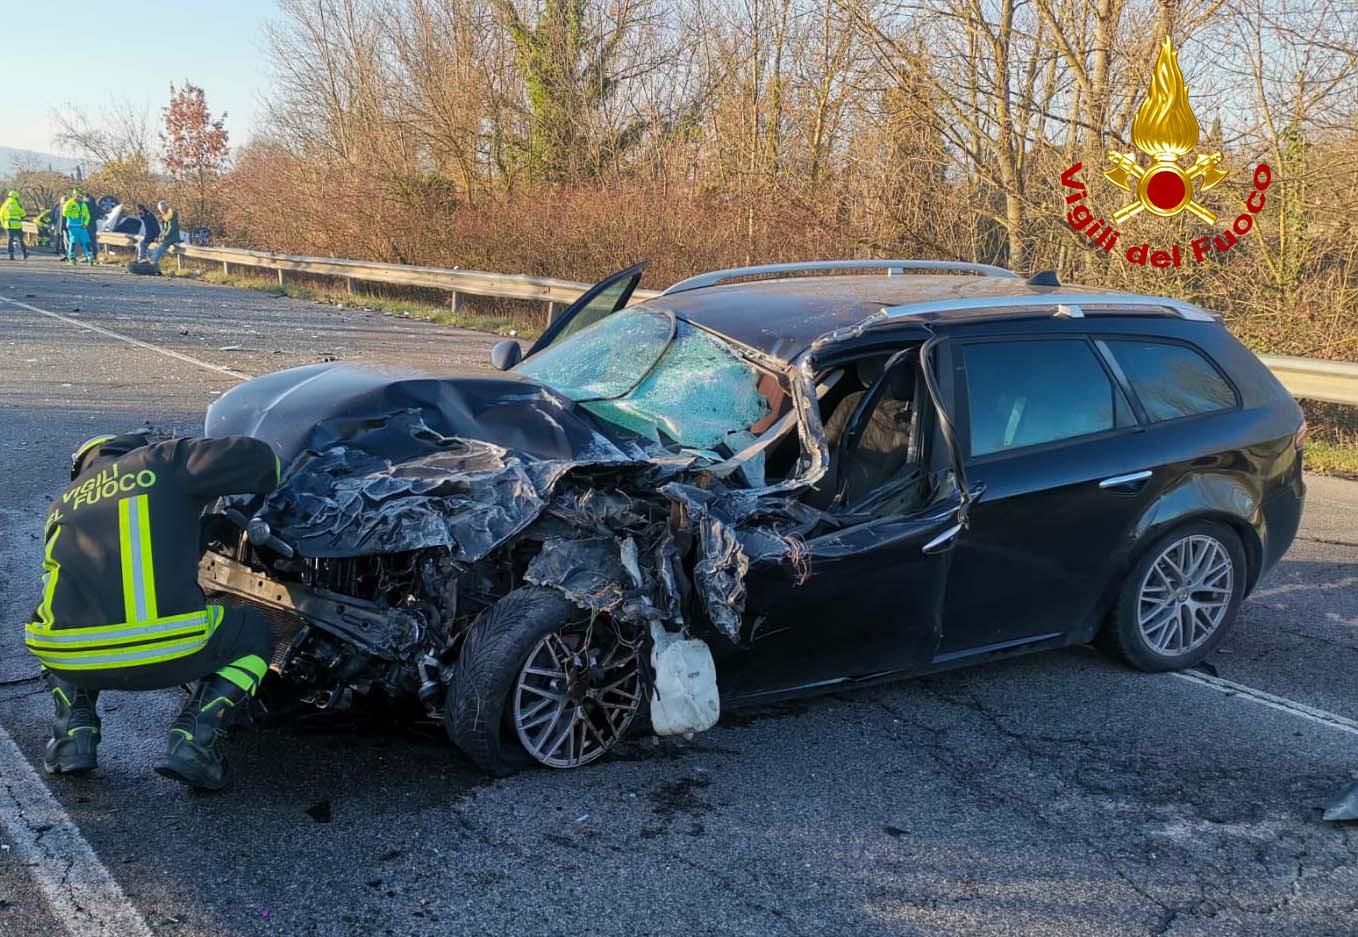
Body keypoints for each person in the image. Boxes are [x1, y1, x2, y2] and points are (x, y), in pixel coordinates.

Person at [26, 432, 283, 790]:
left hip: (68, 658)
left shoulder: (62, 503)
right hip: (167, 651)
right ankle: (193, 740)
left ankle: (72, 739)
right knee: (254, 632)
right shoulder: (159, 461)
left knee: (54, 618)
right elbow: (260, 461)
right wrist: (194, 446)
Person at [62, 189, 93, 266]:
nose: (80, 197)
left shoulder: (83, 204)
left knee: (86, 241)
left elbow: (87, 215)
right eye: (78, 196)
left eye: (81, 196)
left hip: (82, 226)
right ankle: (72, 257)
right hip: (73, 225)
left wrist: (85, 223)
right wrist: (74, 215)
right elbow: (64, 213)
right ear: (75, 195)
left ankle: (89, 256)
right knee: (73, 241)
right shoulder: (69, 203)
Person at [148, 200, 181, 265]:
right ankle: (150, 260)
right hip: (167, 237)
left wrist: (164, 236)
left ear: (165, 207)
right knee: (153, 247)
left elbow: (171, 228)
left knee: (161, 248)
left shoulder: (171, 214)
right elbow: (164, 229)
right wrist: (160, 236)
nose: (161, 210)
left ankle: (153, 263)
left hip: (172, 237)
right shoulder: (165, 215)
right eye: (160, 209)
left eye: (162, 208)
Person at [1, 190, 27, 260]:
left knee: (10, 240)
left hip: (8, 225)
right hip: (17, 225)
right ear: (16, 196)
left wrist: (3, 224)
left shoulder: (5, 204)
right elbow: (23, 213)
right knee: (20, 239)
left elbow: (1, 215)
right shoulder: (16, 203)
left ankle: (11, 254)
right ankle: (24, 253)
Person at [83, 192, 100, 260]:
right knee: (93, 241)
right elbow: (98, 215)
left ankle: (88, 256)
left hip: (86, 224)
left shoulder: (85, 204)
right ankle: (94, 256)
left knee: (86, 241)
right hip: (93, 225)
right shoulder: (95, 205)